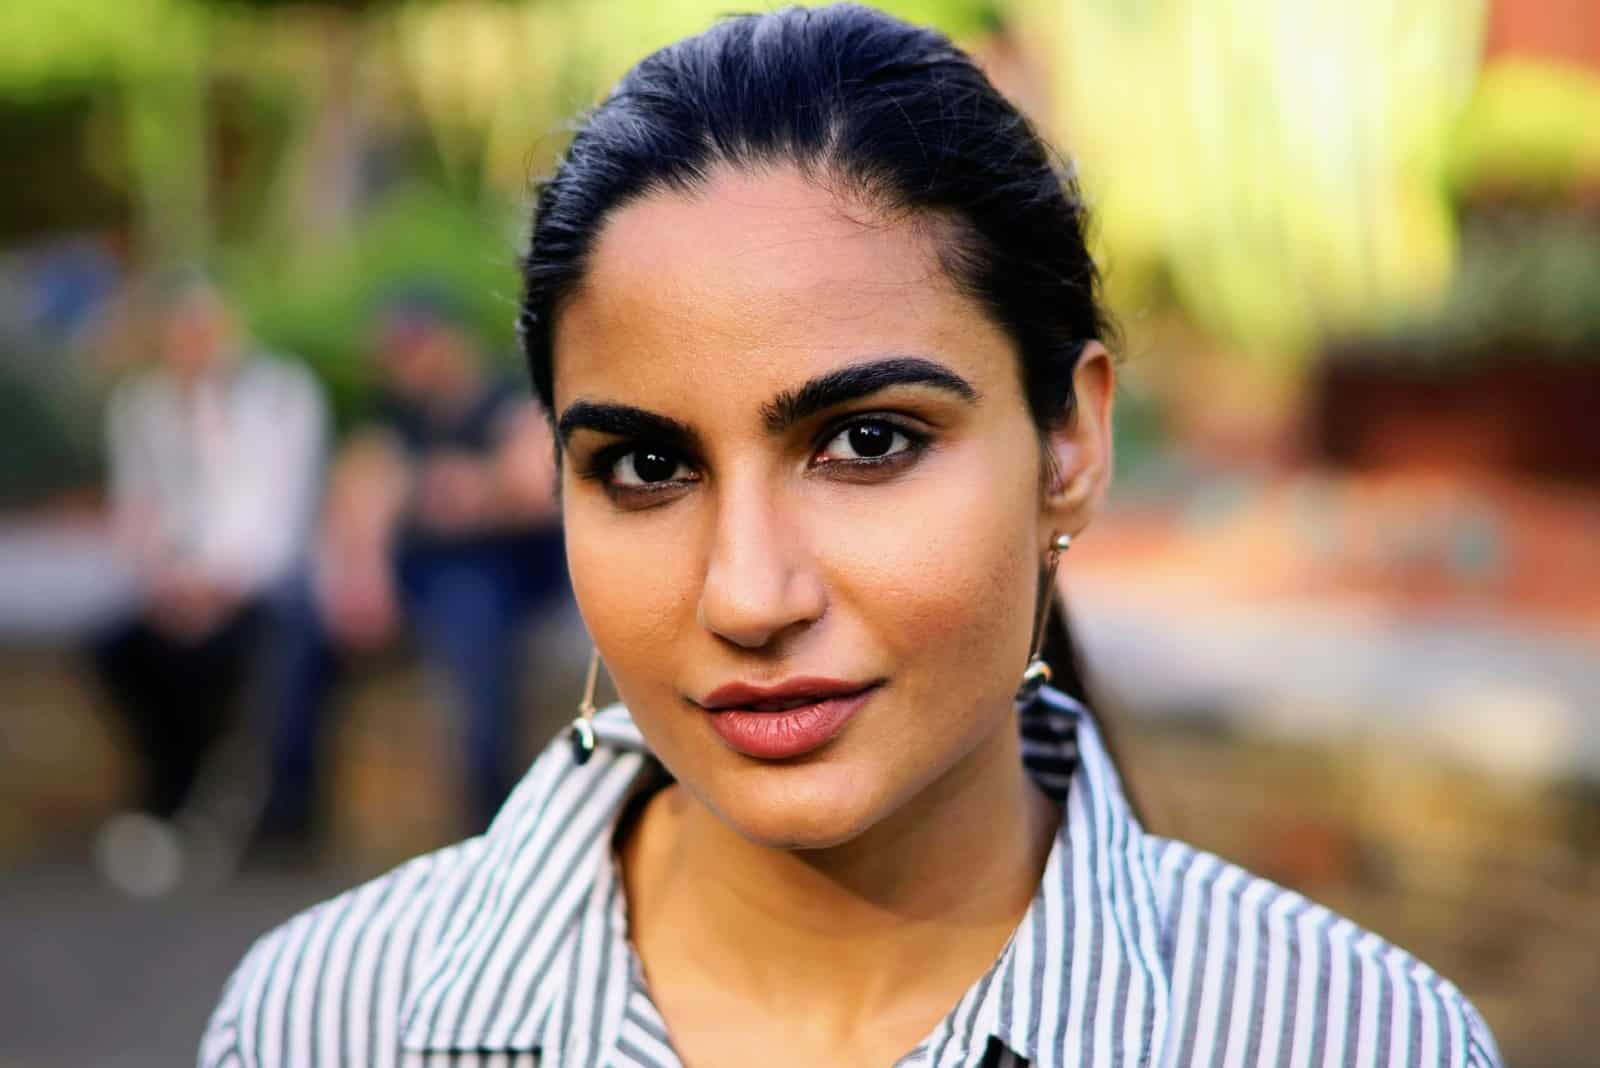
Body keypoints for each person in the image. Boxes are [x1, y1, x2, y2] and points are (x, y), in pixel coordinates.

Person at [199, 6, 1502, 1066]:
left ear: (1071, 445)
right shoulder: (326, 1019)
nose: (750, 594)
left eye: (867, 441)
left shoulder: (1349, 1037)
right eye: (646, 465)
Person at [258, 288, 565, 843]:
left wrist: (458, 489)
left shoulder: (504, 397)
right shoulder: (395, 411)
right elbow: (357, 489)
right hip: (417, 567)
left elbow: (534, 486)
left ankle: (492, 818)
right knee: (303, 612)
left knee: (475, 631)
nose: (401, 362)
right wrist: (360, 573)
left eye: (411, 346)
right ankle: (288, 806)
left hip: (501, 569)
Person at [93, 274, 326, 893]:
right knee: (122, 652)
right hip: (177, 587)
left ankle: (274, 815)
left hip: (256, 582)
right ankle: (166, 799)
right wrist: (167, 581)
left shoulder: (281, 396)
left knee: (276, 649)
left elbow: (281, 512)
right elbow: (136, 509)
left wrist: (219, 584)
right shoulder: (140, 408)